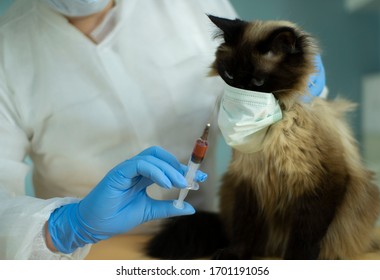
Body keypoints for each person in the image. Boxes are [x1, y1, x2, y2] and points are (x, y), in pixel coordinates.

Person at [0, 0, 326, 259]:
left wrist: (290, 96)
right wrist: (63, 228)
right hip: (84, 253)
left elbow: (244, 95)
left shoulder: (191, 6)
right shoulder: (7, 46)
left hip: (200, 242)